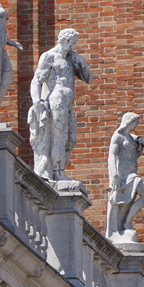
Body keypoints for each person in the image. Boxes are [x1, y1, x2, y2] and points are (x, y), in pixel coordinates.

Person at [28, 28, 92, 180]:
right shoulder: (49, 56)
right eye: (72, 43)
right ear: (65, 41)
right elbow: (37, 80)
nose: (73, 47)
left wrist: (80, 60)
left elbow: (88, 78)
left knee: (70, 139)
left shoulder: (71, 59)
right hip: (56, 100)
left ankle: (59, 169)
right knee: (59, 137)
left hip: (67, 103)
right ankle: (57, 172)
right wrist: (37, 101)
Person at [105, 112, 144, 242]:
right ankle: (116, 229)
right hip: (122, 172)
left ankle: (126, 222)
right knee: (120, 201)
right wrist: (114, 175)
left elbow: (133, 157)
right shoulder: (117, 136)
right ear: (128, 122)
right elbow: (112, 156)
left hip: (132, 172)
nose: (136, 125)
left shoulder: (133, 138)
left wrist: (140, 147)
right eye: (135, 122)